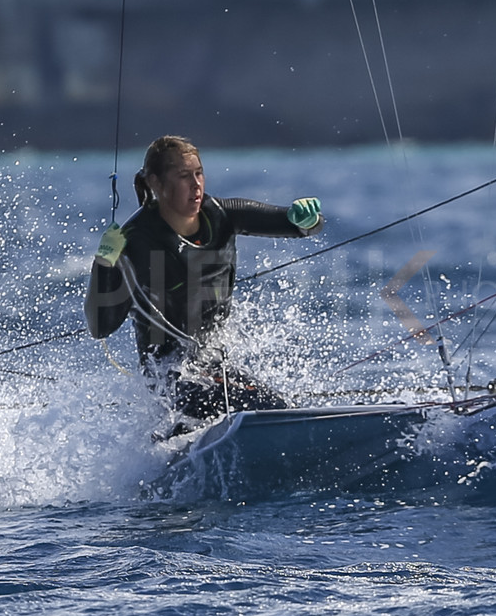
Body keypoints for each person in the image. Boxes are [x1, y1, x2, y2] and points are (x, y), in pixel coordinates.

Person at [84, 134, 323, 424]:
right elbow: (101, 327)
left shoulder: (221, 215)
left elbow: (292, 223)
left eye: (199, 173)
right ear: (156, 183)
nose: (196, 184)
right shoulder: (137, 241)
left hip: (214, 368)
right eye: (184, 176)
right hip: (169, 380)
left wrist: (307, 220)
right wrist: (104, 264)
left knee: (280, 409)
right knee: (259, 407)